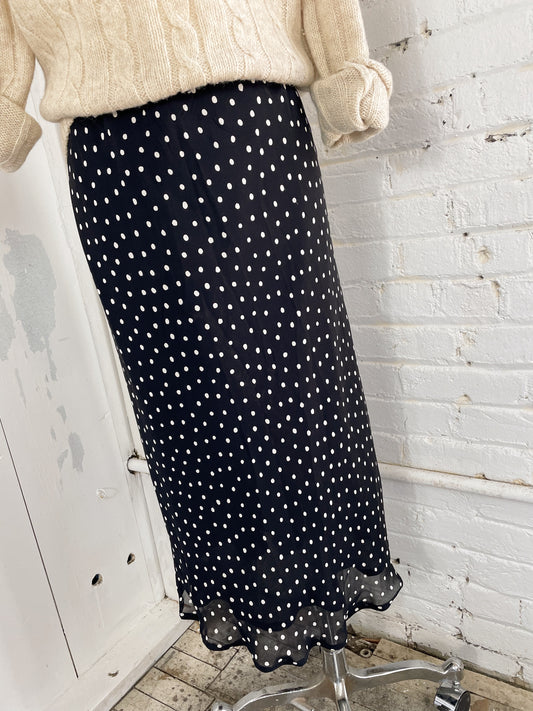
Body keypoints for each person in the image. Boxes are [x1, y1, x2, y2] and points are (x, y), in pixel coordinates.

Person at [0, 0, 403, 673]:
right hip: (115, 167)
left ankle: (327, 588)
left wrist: (344, 73)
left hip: (245, 132)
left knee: (297, 384)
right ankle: (260, 605)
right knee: (189, 411)